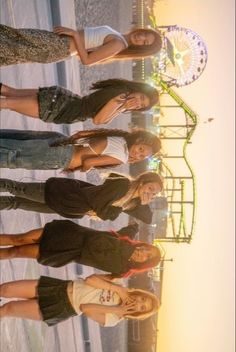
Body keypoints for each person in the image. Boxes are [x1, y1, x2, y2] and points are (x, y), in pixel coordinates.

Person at [0, 220, 161, 276]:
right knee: (18, 238)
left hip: (64, 252)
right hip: (65, 233)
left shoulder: (122, 268)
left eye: (148, 256)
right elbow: (126, 232)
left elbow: (95, 246)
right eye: (147, 249)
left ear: (144, 264)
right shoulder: (124, 242)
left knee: (16, 251)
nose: (144, 252)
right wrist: (134, 227)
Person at [0, 274, 160, 326]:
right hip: (59, 287)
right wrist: (118, 289)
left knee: (9, 308)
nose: (138, 303)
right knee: (5, 290)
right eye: (142, 299)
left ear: (139, 313)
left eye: (142, 307)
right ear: (140, 294)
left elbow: (85, 308)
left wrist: (117, 310)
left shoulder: (114, 319)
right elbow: (90, 279)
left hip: (63, 308)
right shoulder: (119, 283)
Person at [0, 172, 163, 223]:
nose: (150, 193)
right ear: (143, 181)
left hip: (66, 206)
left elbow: (147, 218)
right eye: (150, 188)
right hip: (62, 193)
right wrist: (113, 210)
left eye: (153, 194)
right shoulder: (123, 185)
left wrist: (142, 203)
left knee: (16, 203)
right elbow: (99, 205)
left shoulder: (129, 203)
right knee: (15, 187)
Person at [0, 79, 159, 124]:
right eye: (142, 97)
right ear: (139, 90)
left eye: (142, 105)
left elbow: (103, 118)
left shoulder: (122, 93)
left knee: (11, 93)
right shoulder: (121, 97)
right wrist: (121, 107)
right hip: (58, 107)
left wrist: (122, 108)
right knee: (7, 103)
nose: (138, 102)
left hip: (61, 100)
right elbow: (98, 120)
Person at [0, 128, 161, 171]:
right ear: (139, 140)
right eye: (141, 149)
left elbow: (86, 134)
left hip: (63, 141)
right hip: (62, 157)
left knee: (16, 139)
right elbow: (90, 162)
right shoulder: (122, 157)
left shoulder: (120, 137)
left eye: (141, 156)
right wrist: (85, 169)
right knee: (14, 156)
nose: (137, 154)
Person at [0, 24, 162, 67]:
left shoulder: (119, 44)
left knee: (8, 45)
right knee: (9, 43)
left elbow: (87, 61)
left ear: (141, 48)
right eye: (145, 34)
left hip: (57, 47)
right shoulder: (119, 37)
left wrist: (75, 35)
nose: (141, 37)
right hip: (57, 44)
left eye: (144, 42)